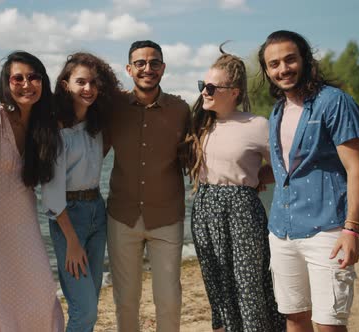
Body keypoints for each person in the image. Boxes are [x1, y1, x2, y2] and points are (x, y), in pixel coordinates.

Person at [257, 30, 359, 332]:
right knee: (294, 317)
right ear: (267, 71)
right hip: (282, 231)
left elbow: (356, 168)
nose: (283, 69)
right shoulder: (277, 111)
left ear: (305, 59)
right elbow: (288, 168)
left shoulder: (335, 102)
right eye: (274, 64)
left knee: (329, 323)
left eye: (290, 59)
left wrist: (352, 230)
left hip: (327, 231)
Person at [185, 46, 286, 332]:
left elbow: (285, 164)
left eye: (211, 87)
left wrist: (256, 177)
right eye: (202, 86)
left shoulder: (257, 125)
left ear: (235, 92)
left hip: (242, 210)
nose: (204, 92)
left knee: (248, 286)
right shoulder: (201, 124)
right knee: (218, 289)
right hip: (204, 207)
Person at [0, 51, 64, 331]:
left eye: (34, 77)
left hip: (25, 228)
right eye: (17, 78)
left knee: (41, 296)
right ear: (6, 83)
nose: (26, 84)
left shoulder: (44, 127)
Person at [105, 40, 190, 332]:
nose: (147, 69)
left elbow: (196, 154)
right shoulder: (113, 107)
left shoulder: (181, 109)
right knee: (126, 300)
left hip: (167, 217)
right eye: (140, 63)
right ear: (129, 69)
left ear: (163, 68)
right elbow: (91, 149)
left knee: (169, 299)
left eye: (154, 63)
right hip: (121, 216)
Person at [42, 52, 121, 332]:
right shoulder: (54, 129)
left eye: (93, 83)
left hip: (97, 212)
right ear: (65, 84)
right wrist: (72, 241)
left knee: (90, 303)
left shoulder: (96, 125)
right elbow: (51, 193)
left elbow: (98, 157)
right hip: (68, 217)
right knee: (84, 310)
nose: (88, 89)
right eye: (81, 82)